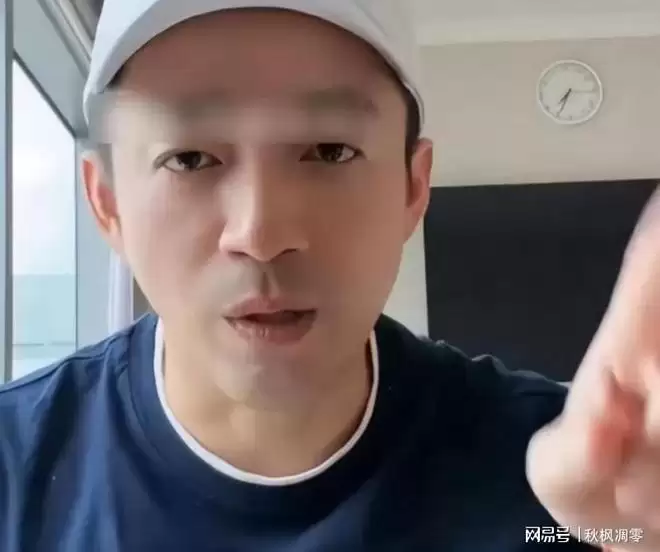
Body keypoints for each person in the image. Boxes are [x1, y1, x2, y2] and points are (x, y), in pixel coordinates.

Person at [0, 1, 658, 550]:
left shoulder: (578, 489)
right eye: (190, 158)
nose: (261, 234)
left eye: (330, 150)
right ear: (108, 203)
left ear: (413, 187)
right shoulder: (15, 471)